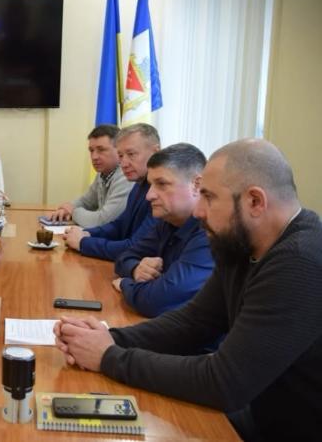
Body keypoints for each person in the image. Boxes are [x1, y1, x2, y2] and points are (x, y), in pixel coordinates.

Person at [54, 139, 322, 440]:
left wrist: (108, 357)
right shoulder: (243, 242)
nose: (198, 211)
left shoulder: (301, 261)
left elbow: (225, 381)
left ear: (255, 202)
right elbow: (194, 322)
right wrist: (110, 337)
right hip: (258, 414)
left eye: (208, 197)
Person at [111, 143, 214, 317]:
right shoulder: (168, 221)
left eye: (162, 184)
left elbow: (156, 301)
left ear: (197, 185)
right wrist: (136, 269)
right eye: (150, 185)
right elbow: (124, 257)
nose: (149, 195)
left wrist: (124, 284)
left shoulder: (210, 232)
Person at [62, 123, 160, 260]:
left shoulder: (161, 193)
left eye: (131, 154)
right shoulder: (139, 184)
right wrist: (87, 234)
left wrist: (83, 243)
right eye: (121, 155)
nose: (124, 163)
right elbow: (119, 225)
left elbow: (136, 247)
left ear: (155, 152)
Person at [48, 125, 132, 227]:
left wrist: (73, 212)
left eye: (101, 150)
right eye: (91, 150)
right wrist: (67, 208)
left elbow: (102, 221)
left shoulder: (126, 177)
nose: (94, 157)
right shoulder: (103, 173)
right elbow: (86, 201)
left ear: (119, 150)